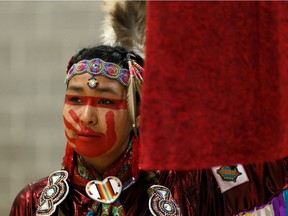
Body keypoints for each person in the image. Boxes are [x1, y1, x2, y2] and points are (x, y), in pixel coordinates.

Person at [9, 44, 288, 216]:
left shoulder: (189, 186)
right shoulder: (33, 202)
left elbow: (273, 161)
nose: (86, 116)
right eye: (75, 99)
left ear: (139, 115)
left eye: (106, 101)